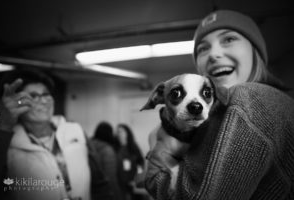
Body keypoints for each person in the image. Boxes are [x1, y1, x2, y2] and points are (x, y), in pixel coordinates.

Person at [144, 10, 294, 200]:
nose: (214, 54)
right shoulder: (270, 101)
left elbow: (191, 195)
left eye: (229, 39)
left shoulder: (248, 99)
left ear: (255, 51)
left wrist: (154, 158)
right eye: (203, 48)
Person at [0, 69, 113, 200]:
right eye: (33, 96)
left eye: (46, 94)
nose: (43, 101)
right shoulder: (7, 145)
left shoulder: (75, 131)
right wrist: (3, 125)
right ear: (16, 105)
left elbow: (99, 184)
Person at [89, 122, 123, 200]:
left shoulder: (88, 147)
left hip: (91, 191)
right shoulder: (107, 150)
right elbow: (111, 178)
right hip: (105, 193)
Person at [115, 123, 146, 200]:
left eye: (121, 131)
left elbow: (140, 163)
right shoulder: (116, 148)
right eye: (118, 132)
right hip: (120, 184)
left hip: (133, 183)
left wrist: (137, 179)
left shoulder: (133, 147)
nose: (119, 134)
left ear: (127, 133)